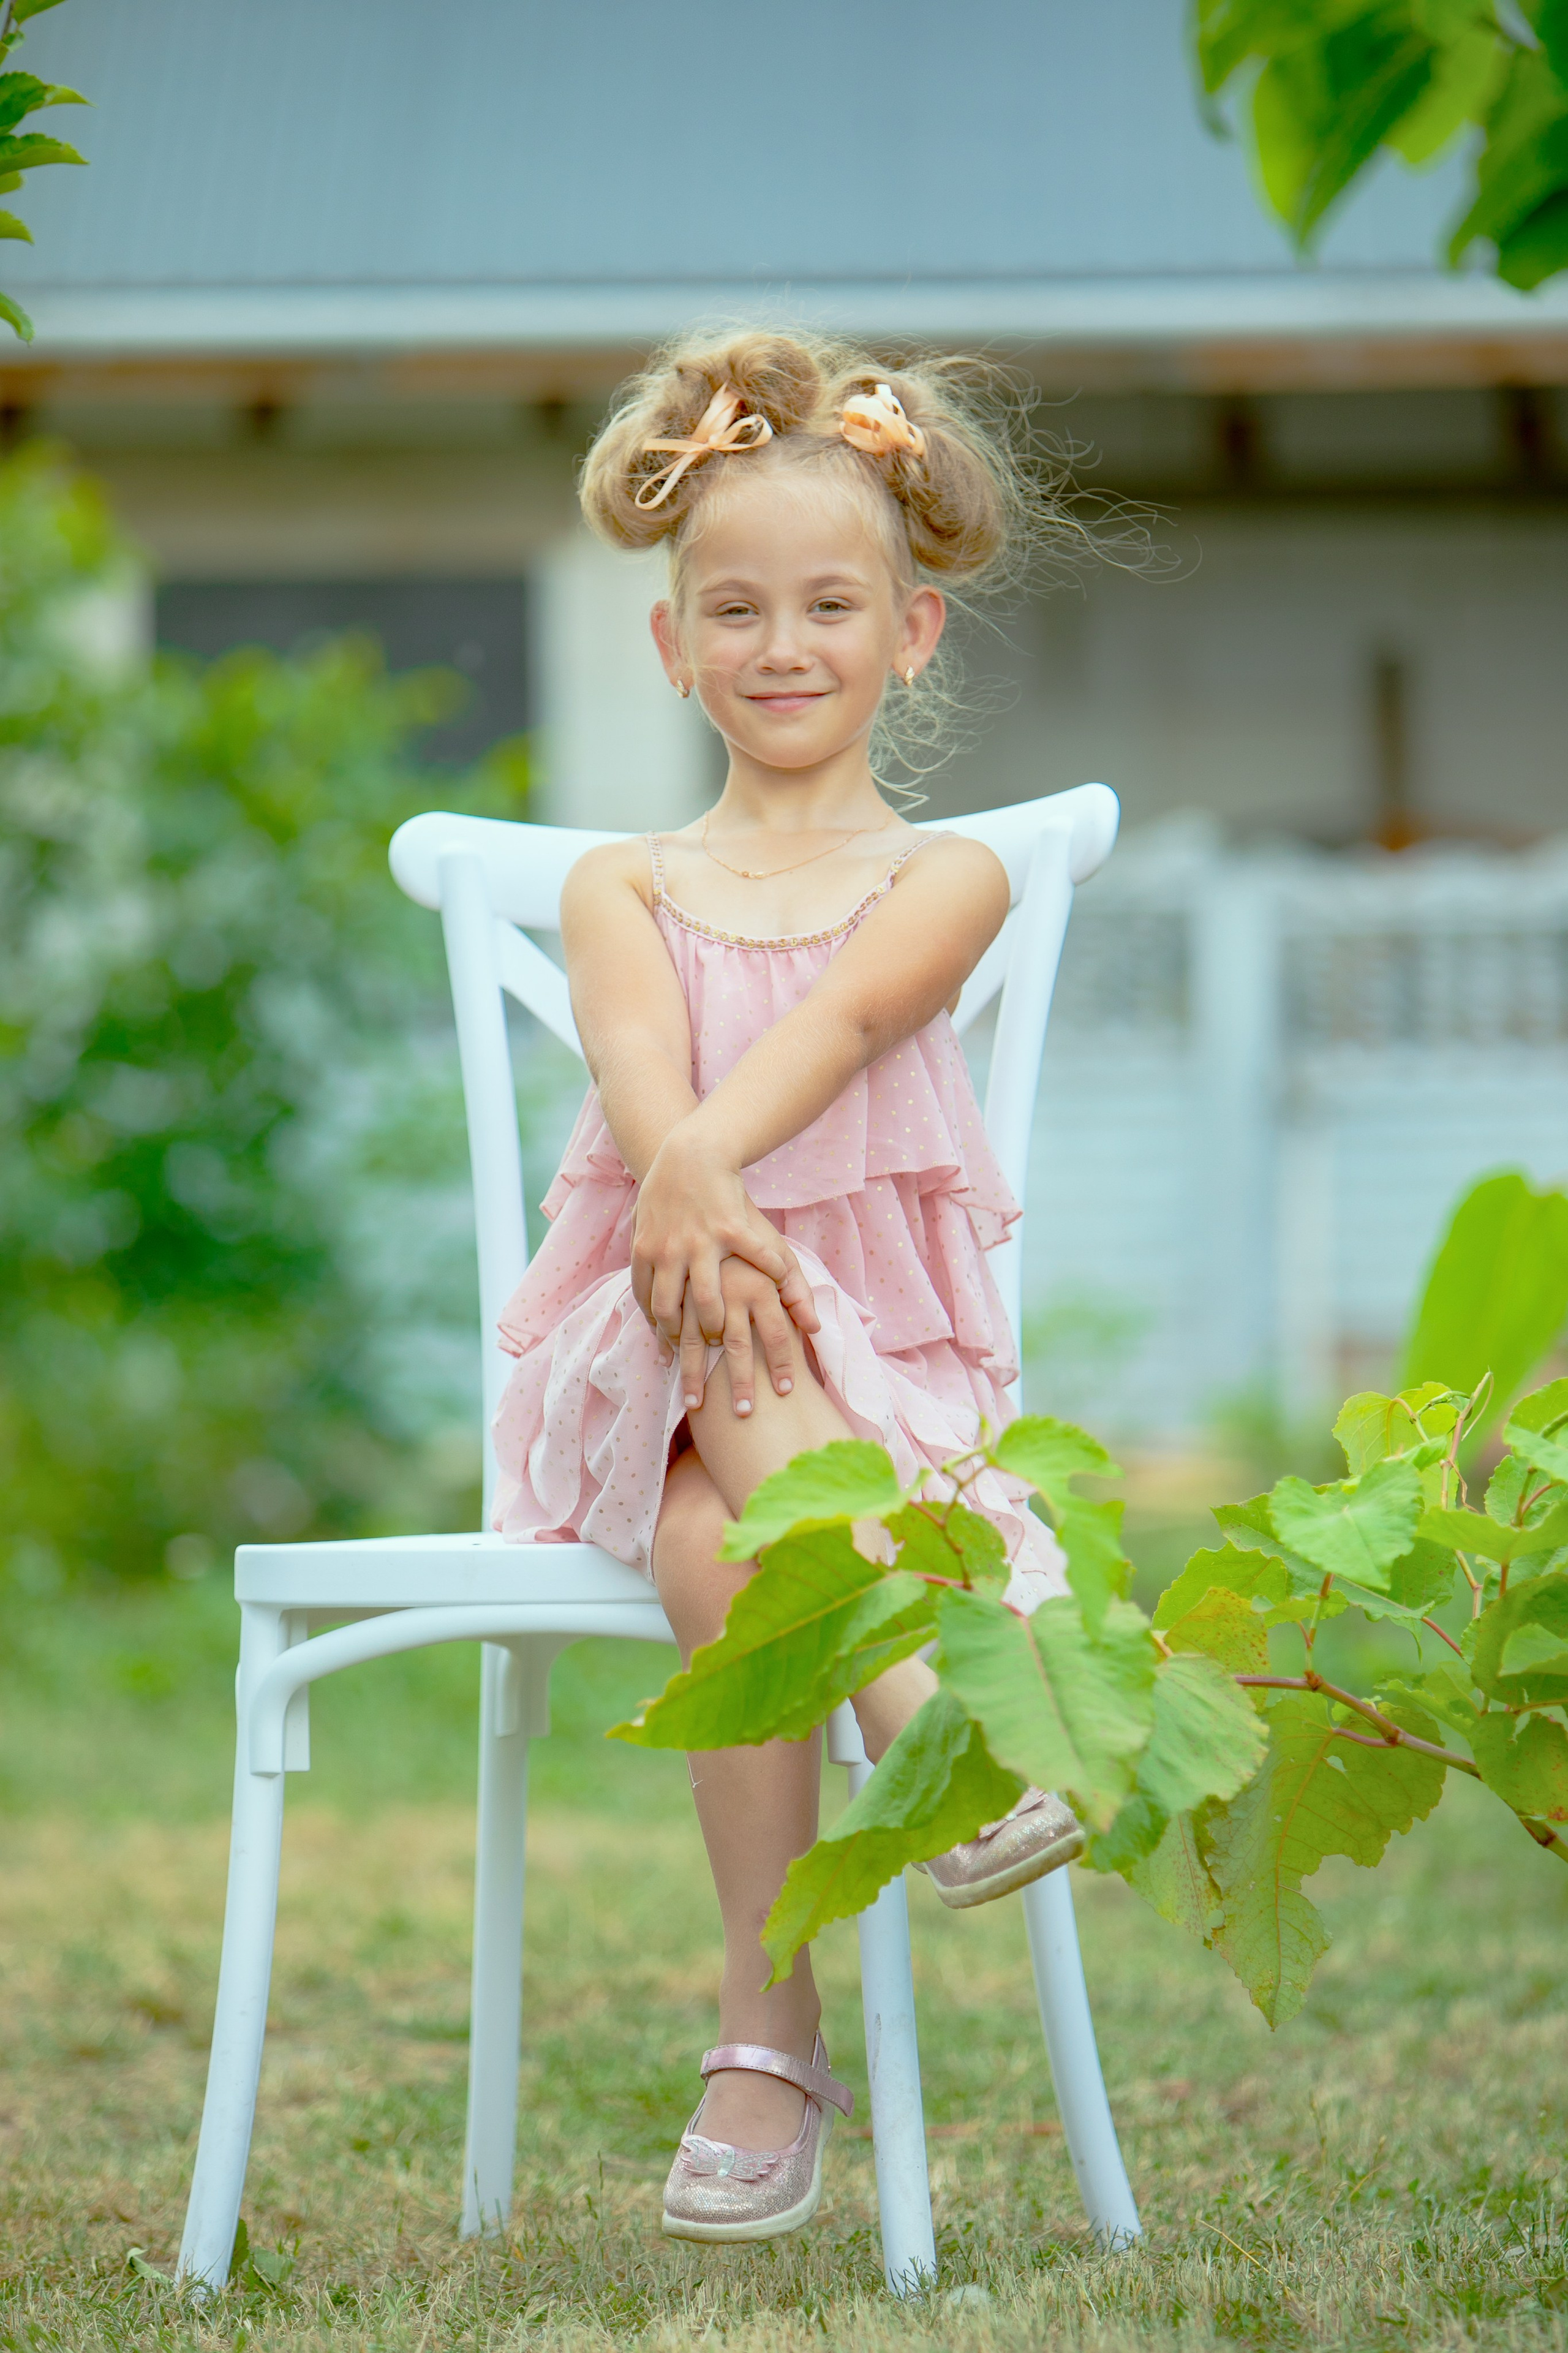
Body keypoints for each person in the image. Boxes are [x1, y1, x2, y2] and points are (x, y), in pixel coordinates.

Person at [491, 330, 1084, 2244]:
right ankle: (937, 1719)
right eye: (733, 610)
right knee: (722, 1305)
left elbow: (840, 1026)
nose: (781, 644)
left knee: (721, 1543)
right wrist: (683, 1175)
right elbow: (640, 1066)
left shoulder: (951, 874)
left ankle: (766, 2032)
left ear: (912, 634)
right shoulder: (621, 884)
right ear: (673, 646)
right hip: (651, 1339)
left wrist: (696, 1166)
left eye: (830, 605)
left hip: (881, 1381)